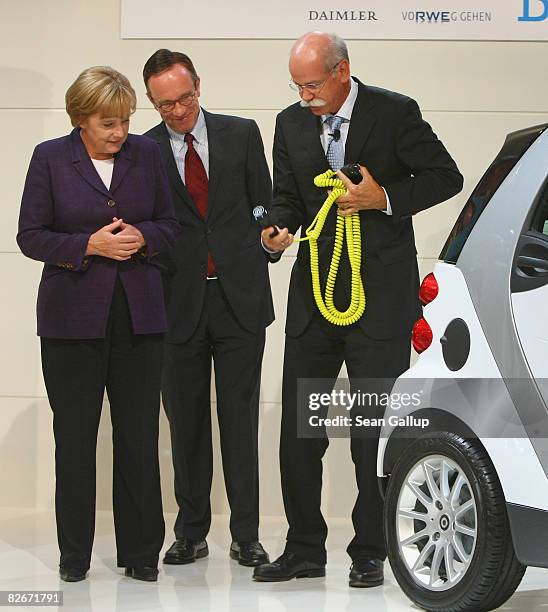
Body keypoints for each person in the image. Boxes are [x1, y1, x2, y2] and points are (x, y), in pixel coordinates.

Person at [254, 32, 463, 586]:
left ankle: (371, 549)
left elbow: (447, 176)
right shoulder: (290, 123)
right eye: (297, 86)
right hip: (314, 300)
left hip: (378, 304)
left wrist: (384, 198)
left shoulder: (394, 112)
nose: (305, 96)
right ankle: (303, 549)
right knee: (302, 432)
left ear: (343, 70)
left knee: (371, 431)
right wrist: (274, 231)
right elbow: (287, 197)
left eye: (314, 84)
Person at [17, 66, 180, 583]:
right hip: (71, 323)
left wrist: (141, 235)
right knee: (76, 438)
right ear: (79, 118)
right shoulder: (49, 158)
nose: (120, 132)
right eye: (108, 123)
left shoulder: (147, 154)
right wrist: (89, 244)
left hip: (139, 318)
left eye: (126, 121)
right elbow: (31, 235)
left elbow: (171, 226)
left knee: (138, 437)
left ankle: (141, 553)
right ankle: (74, 555)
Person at [142, 49, 274, 568]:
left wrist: (271, 236)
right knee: (186, 424)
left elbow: (265, 203)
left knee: (239, 422)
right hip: (176, 304)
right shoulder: (144, 151)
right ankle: (191, 531)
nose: (178, 111)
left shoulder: (241, 134)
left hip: (239, 299)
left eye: (185, 98)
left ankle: (247, 535)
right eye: (165, 104)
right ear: (152, 103)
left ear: (200, 84)